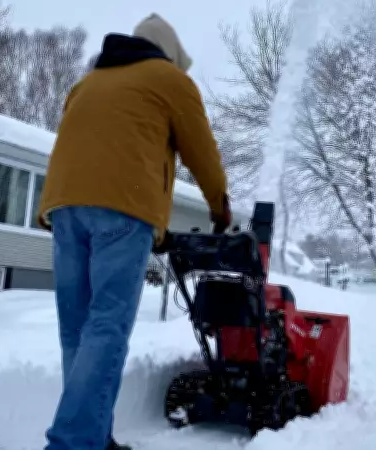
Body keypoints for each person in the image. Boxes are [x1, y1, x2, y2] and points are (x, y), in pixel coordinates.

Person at [36, 13, 232, 450]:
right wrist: (220, 205)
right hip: (123, 208)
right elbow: (201, 149)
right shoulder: (169, 79)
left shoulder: (88, 82)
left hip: (63, 208)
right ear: (170, 55)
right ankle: (72, 443)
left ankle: (92, 437)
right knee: (106, 325)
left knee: (78, 330)